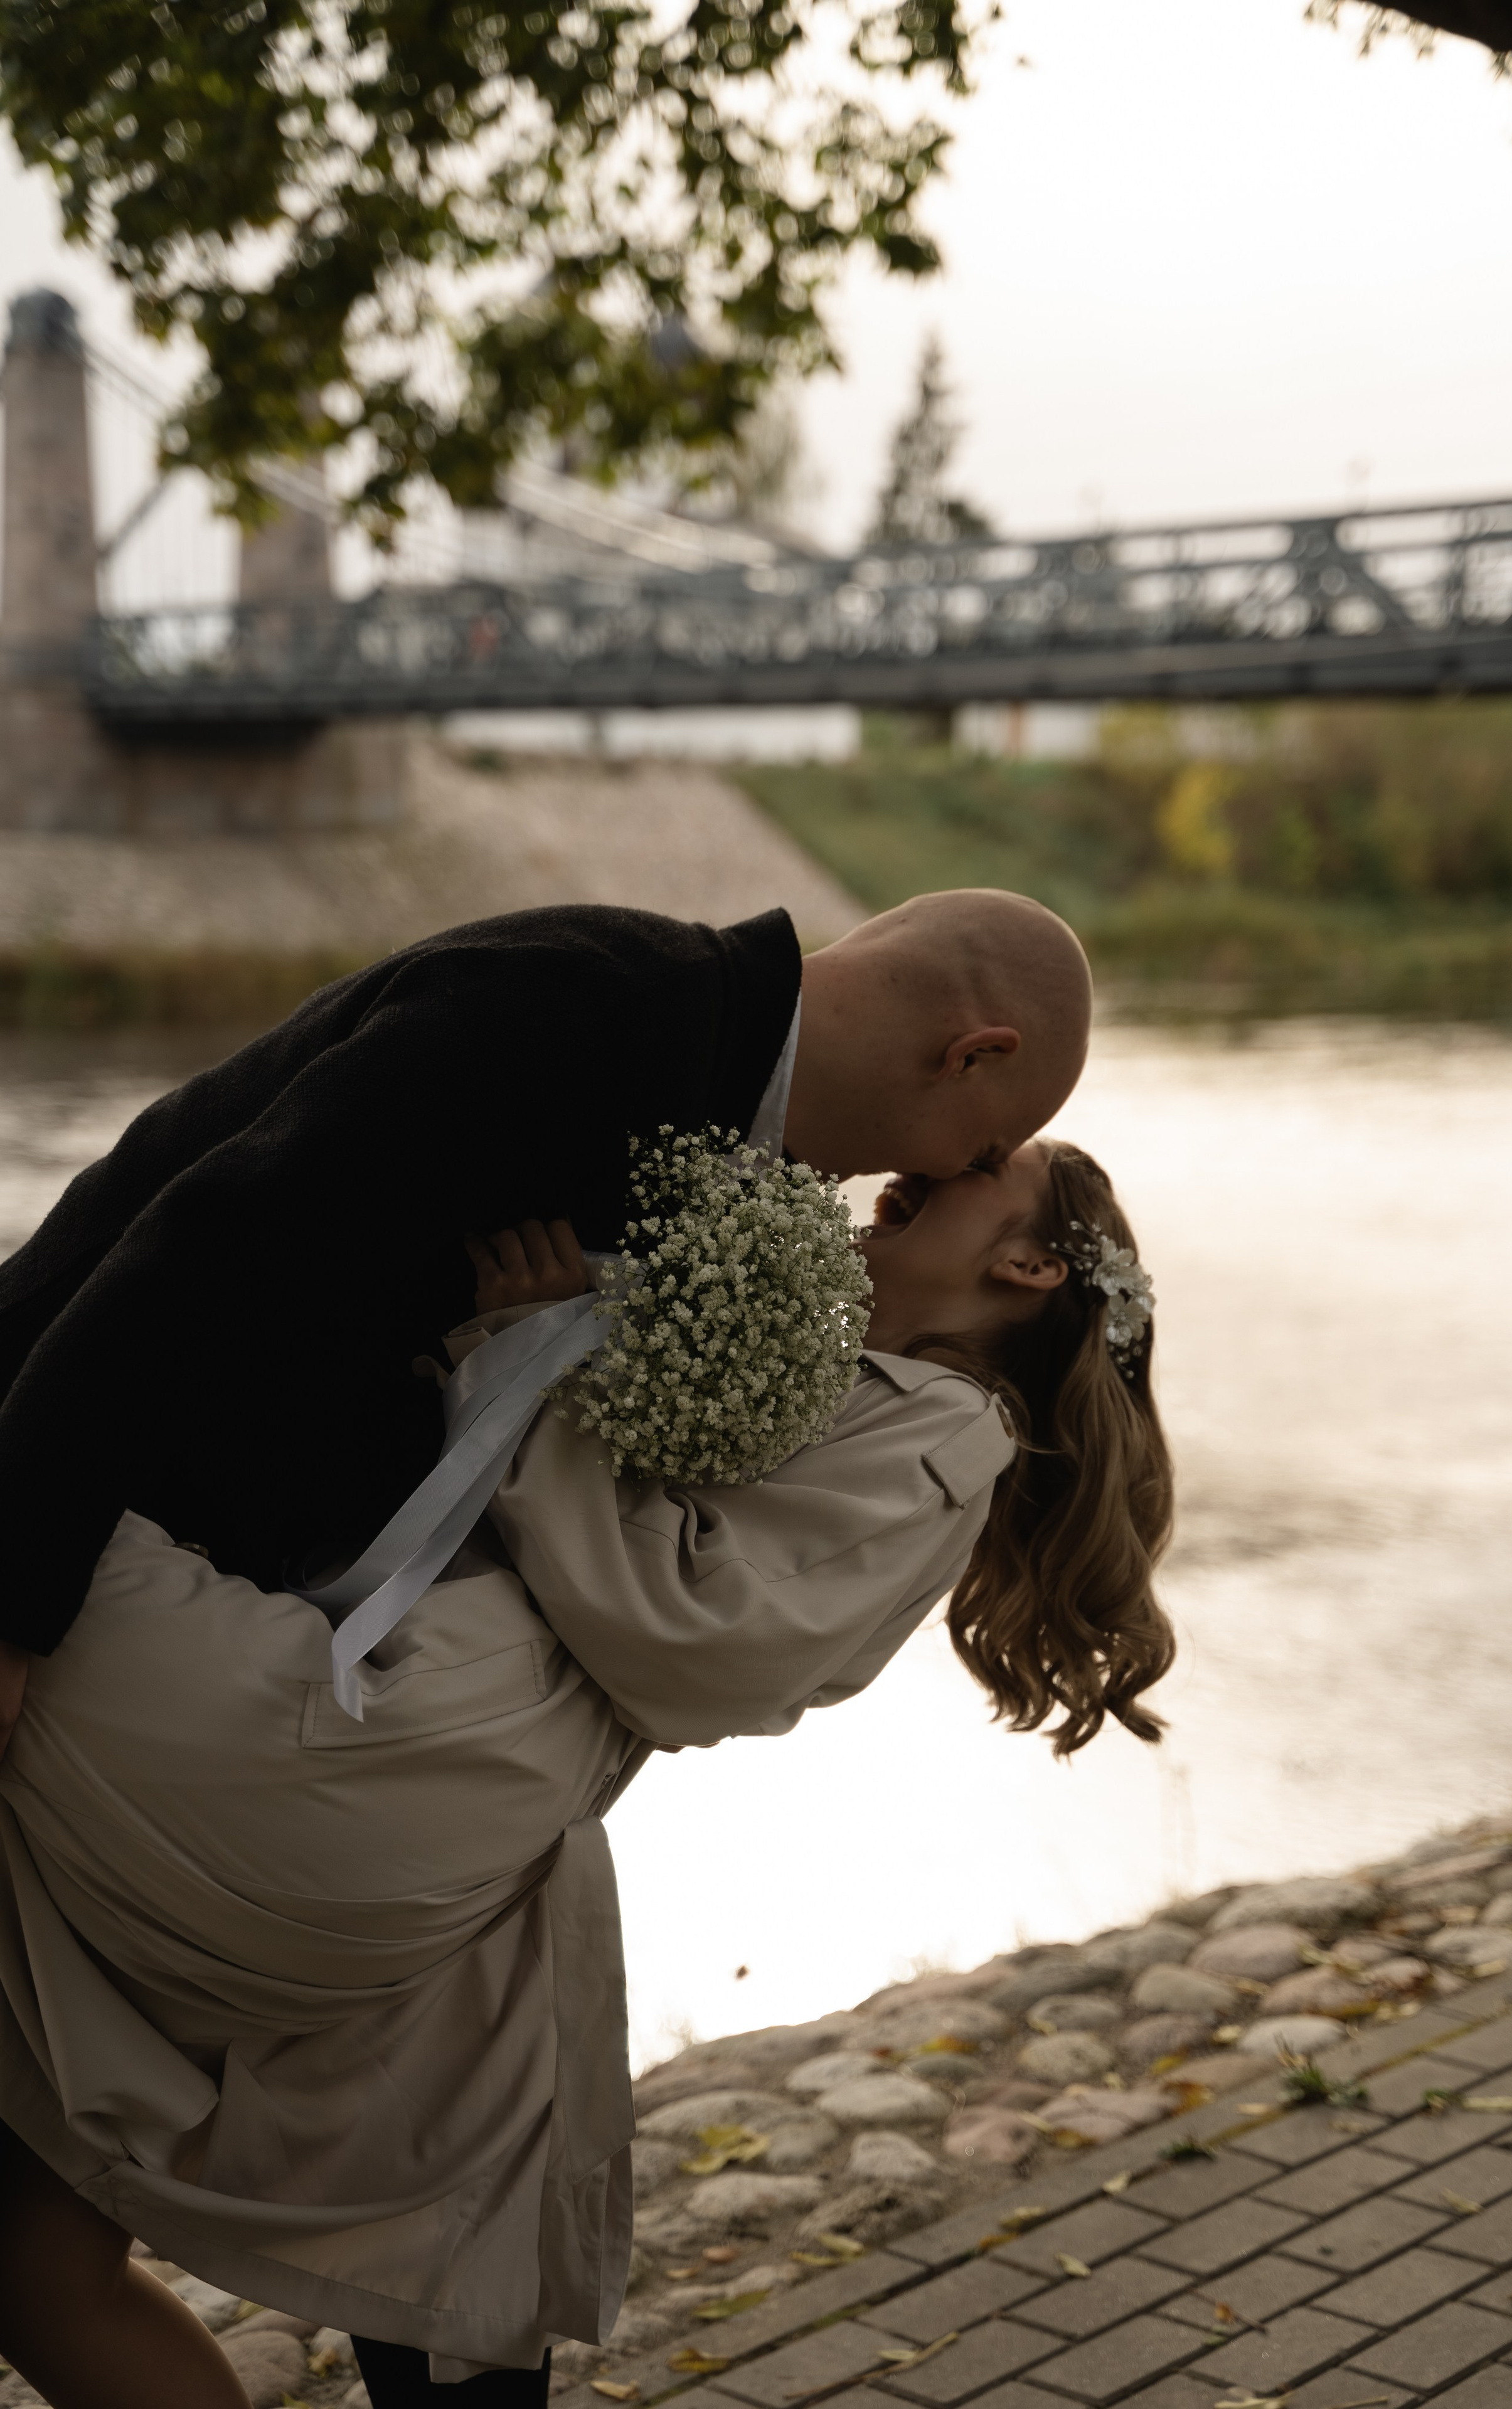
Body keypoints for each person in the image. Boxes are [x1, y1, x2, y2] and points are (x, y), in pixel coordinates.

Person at [0, 1139, 1171, 2409]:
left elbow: (695, 1637)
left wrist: (530, 1349)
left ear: (1027, 1263)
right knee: (50, 2260)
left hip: (421, 1738)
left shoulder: (947, 1438)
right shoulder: (849, 1372)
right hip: (451, 1759)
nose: (929, 1157)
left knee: (29, 1513)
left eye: (984, 1162)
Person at [0, 890, 1092, 1752]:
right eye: (989, 1149)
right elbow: (193, 1256)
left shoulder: (709, 1097)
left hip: (182, 1610)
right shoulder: (583, 1007)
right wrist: (13, 1603)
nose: (952, 1173)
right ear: (972, 1055)